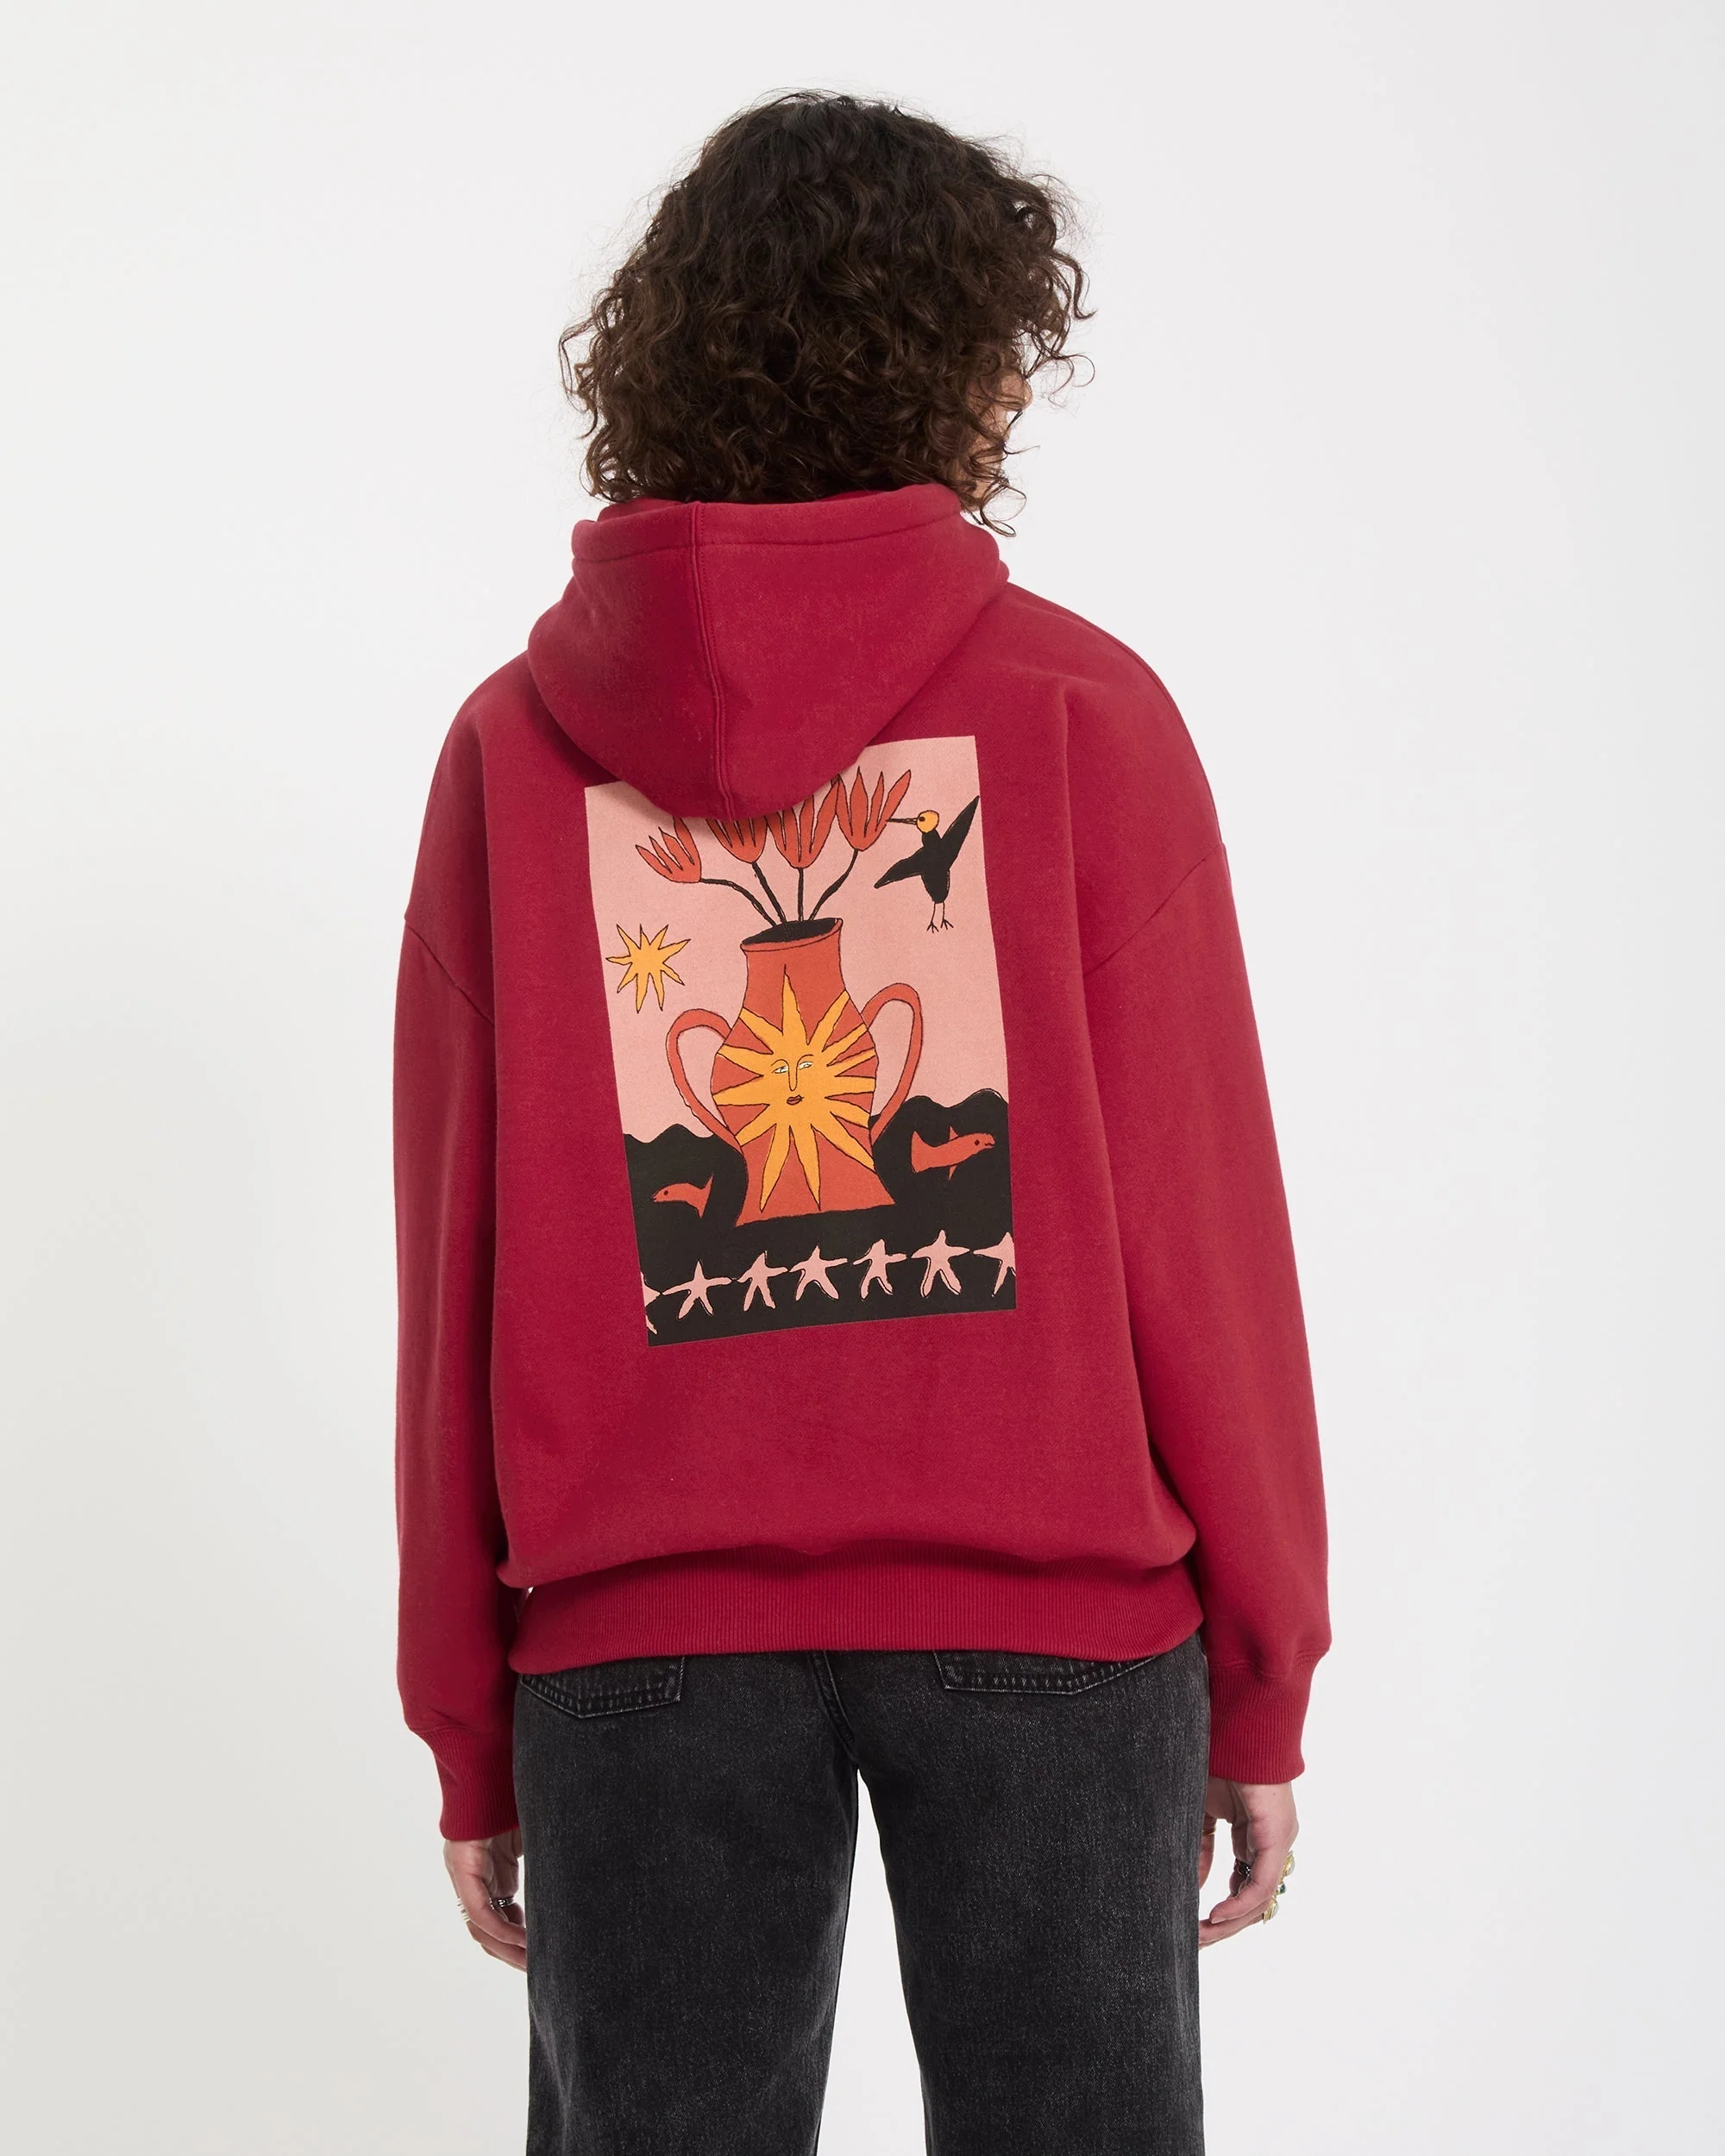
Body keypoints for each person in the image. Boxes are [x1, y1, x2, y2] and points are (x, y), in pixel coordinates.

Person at [394, 91, 1329, 2156]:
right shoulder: (1082, 713)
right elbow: (1202, 1228)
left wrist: (469, 1712)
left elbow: (454, 1259)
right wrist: (1264, 1668)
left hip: (639, 1648)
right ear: (965, 360)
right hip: (1056, 1626)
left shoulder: (512, 750)